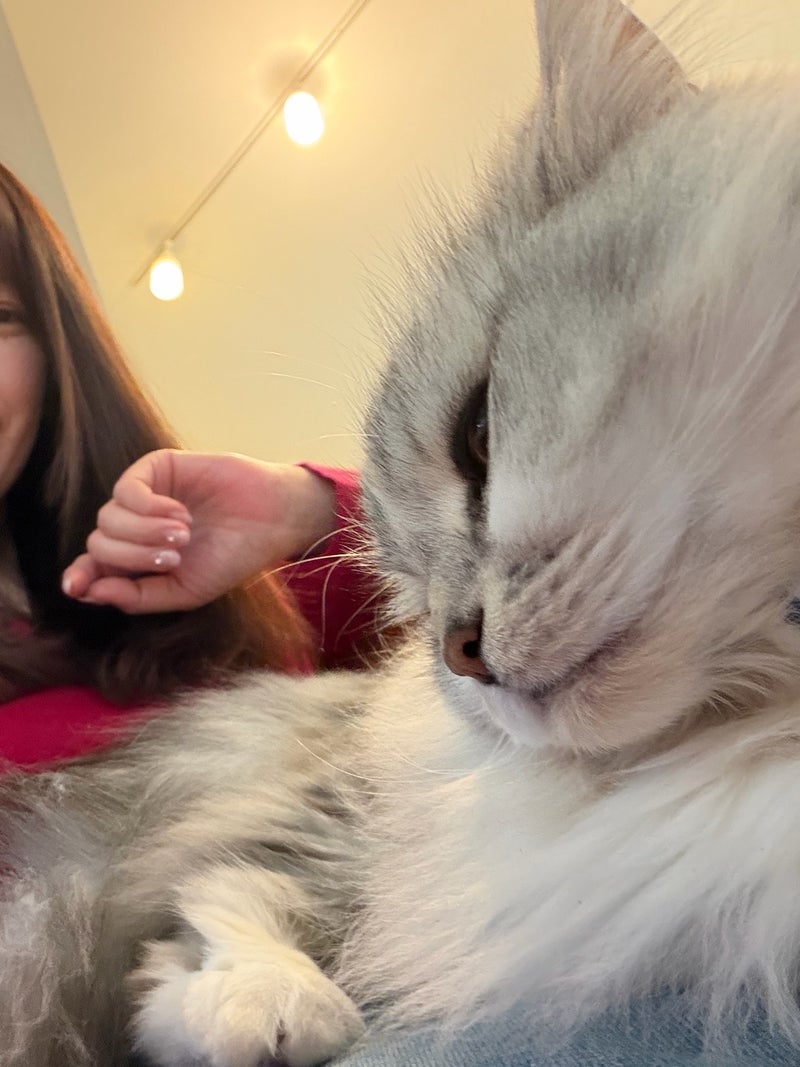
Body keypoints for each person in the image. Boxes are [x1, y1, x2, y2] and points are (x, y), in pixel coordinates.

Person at [0, 160, 376, 769]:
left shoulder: (181, 566)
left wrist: (301, 510)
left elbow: (465, 598)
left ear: (53, 348)